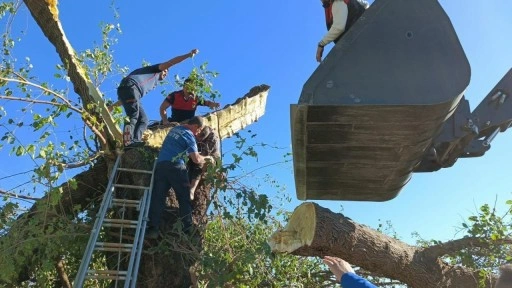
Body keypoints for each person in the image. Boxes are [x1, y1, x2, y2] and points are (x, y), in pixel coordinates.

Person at [112, 49, 199, 148]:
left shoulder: (149, 80)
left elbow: (125, 98)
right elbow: (172, 62)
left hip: (127, 91)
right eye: (165, 71)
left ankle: (135, 142)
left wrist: (111, 107)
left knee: (143, 120)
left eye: (167, 73)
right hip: (132, 88)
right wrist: (188, 55)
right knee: (133, 115)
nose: (165, 74)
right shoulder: (155, 71)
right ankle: (127, 141)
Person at [146, 116, 213, 238]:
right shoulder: (188, 135)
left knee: (158, 197)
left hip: (161, 166)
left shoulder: (174, 130)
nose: (198, 133)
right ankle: (187, 228)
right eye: (198, 130)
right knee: (184, 197)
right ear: (195, 127)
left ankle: (153, 229)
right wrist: (208, 158)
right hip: (176, 167)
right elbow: (196, 159)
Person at [187, 125, 221, 201]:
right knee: (192, 162)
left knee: (199, 162)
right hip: (200, 153)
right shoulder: (196, 130)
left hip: (212, 159)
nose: (197, 140)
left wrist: (194, 156)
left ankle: (192, 190)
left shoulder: (213, 137)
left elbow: (204, 155)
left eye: (199, 139)